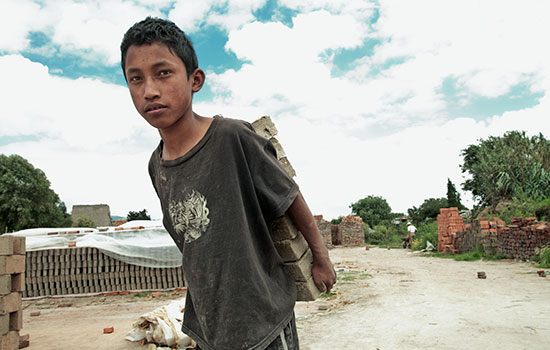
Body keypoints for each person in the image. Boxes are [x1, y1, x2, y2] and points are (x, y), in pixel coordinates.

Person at [120, 17, 336, 350]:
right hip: (209, 323)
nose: (150, 90)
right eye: (136, 79)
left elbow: (290, 197)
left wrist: (321, 259)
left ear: (195, 80)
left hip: (262, 316)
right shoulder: (156, 165)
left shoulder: (232, 138)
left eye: (163, 73)